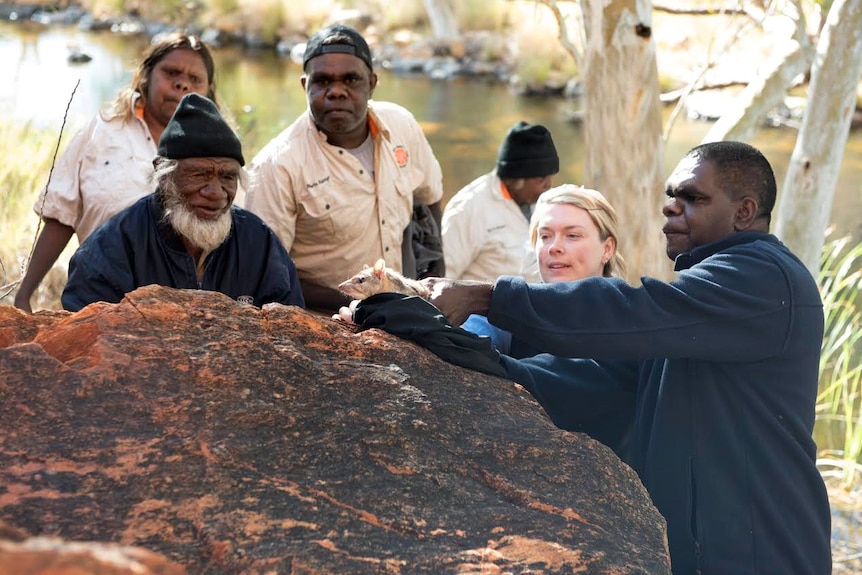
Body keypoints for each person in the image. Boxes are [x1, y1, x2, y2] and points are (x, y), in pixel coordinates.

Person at [384, 141, 831, 574]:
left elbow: (629, 312)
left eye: (692, 197)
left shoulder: (764, 279)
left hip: (763, 552)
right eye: (670, 196)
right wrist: (447, 344)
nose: (671, 207)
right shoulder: (700, 305)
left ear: (744, 212)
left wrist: (487, 296)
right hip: (696, 554)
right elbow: (589, 382)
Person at [244, 24, 445, 313]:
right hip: (328, 321)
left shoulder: (402, 126)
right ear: (305, 86)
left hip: (403, 312)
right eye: (323, 81)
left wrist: (432, 287)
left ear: (372, 83)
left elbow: (430, 197)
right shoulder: (277, 166)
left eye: (351, 80)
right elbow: (267, 273)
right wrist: (362, 303)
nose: (337, 92)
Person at [14, 33, 221, 313]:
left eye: (195, 79)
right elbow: (62, 216)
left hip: (182, 313)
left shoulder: (220, 157)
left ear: (208, 92)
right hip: (98, 298)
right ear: (145, 77)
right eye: (171, 72)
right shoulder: (101, 133)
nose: (182, 83)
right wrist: (24, 295)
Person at [61, 93, 304, 312]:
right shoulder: (113, 245)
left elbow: (292, 327)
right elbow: (86, 334)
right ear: (163, 173)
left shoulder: (258, 241)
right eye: (200, 174)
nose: (216, 193)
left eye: (228, 177)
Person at [463, 184, 626, 354]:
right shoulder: (509, 315)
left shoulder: (633, 320)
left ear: (607, 248)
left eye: (572, 235)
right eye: (545, 236)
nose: (554, 247)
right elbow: (470, 342)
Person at [441, 121, 559, 281]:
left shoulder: (544, 202)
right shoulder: (467, 210)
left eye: (550, 178)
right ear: (513, 180)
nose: (548, 186)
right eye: (540, 179)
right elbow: (442, 281)